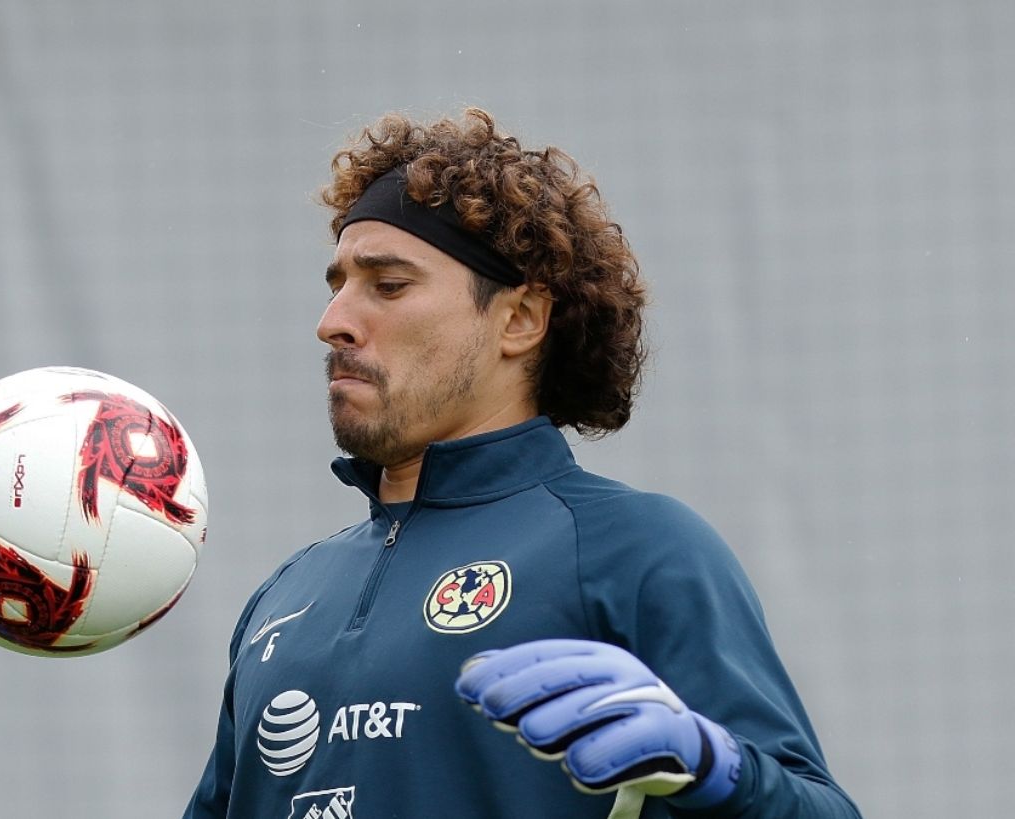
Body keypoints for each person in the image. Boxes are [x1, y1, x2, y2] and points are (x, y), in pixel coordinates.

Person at [182, 108, 860, 819]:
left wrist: (719, 769)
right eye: (337, 285)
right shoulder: (286, 595)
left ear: (519, 320)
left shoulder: (638, 550)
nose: (333, 322)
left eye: (388, 285)